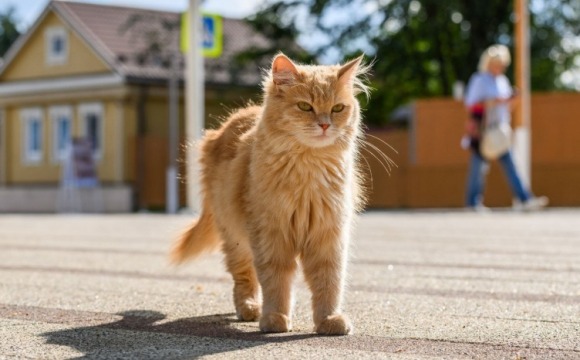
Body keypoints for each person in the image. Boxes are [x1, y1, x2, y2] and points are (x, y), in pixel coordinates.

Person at [462, 44, 548, 211]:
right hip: (484, 130)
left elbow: (506, 107)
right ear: (488, 63)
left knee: (511, 164)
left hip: (501, 130)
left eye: (502, 64)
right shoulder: (479, 79)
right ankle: (472, 203)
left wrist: (512, 100)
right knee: (478, 167)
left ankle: (525, 199)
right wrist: (495, 101)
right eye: (497, 64)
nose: (500, 67)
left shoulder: (503, 81)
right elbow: (470, 104)